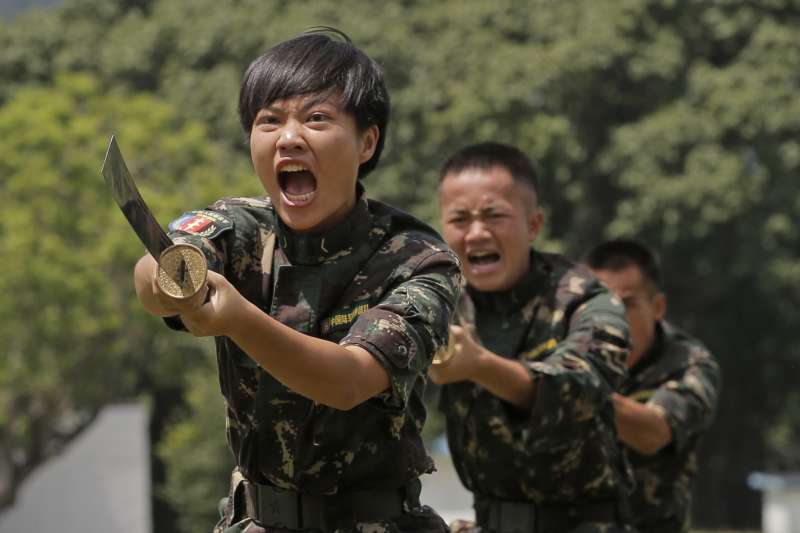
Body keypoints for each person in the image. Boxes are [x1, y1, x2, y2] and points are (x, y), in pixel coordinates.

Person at [133, 28, 461, 533]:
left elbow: (349, 381)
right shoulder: (239, 226)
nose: (288, 138)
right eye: (269, 121)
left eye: (316, 119)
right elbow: (164, 265)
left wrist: (240, 320)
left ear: (366, 141)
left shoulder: (419, 259)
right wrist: (173, 279)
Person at [429, 142, 633, 533]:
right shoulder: (437, 299)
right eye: (459, 219)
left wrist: (481, 366)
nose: (476, 233)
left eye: (494, 216)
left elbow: (583, 390)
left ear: (533, 224)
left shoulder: (585, 299)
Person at [585, 238, 721, 533]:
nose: (612, 318)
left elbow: (654, 433)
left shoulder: (690, 364)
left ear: (657, 306)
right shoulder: (564, 348)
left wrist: (577, 388)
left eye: (627, 304)